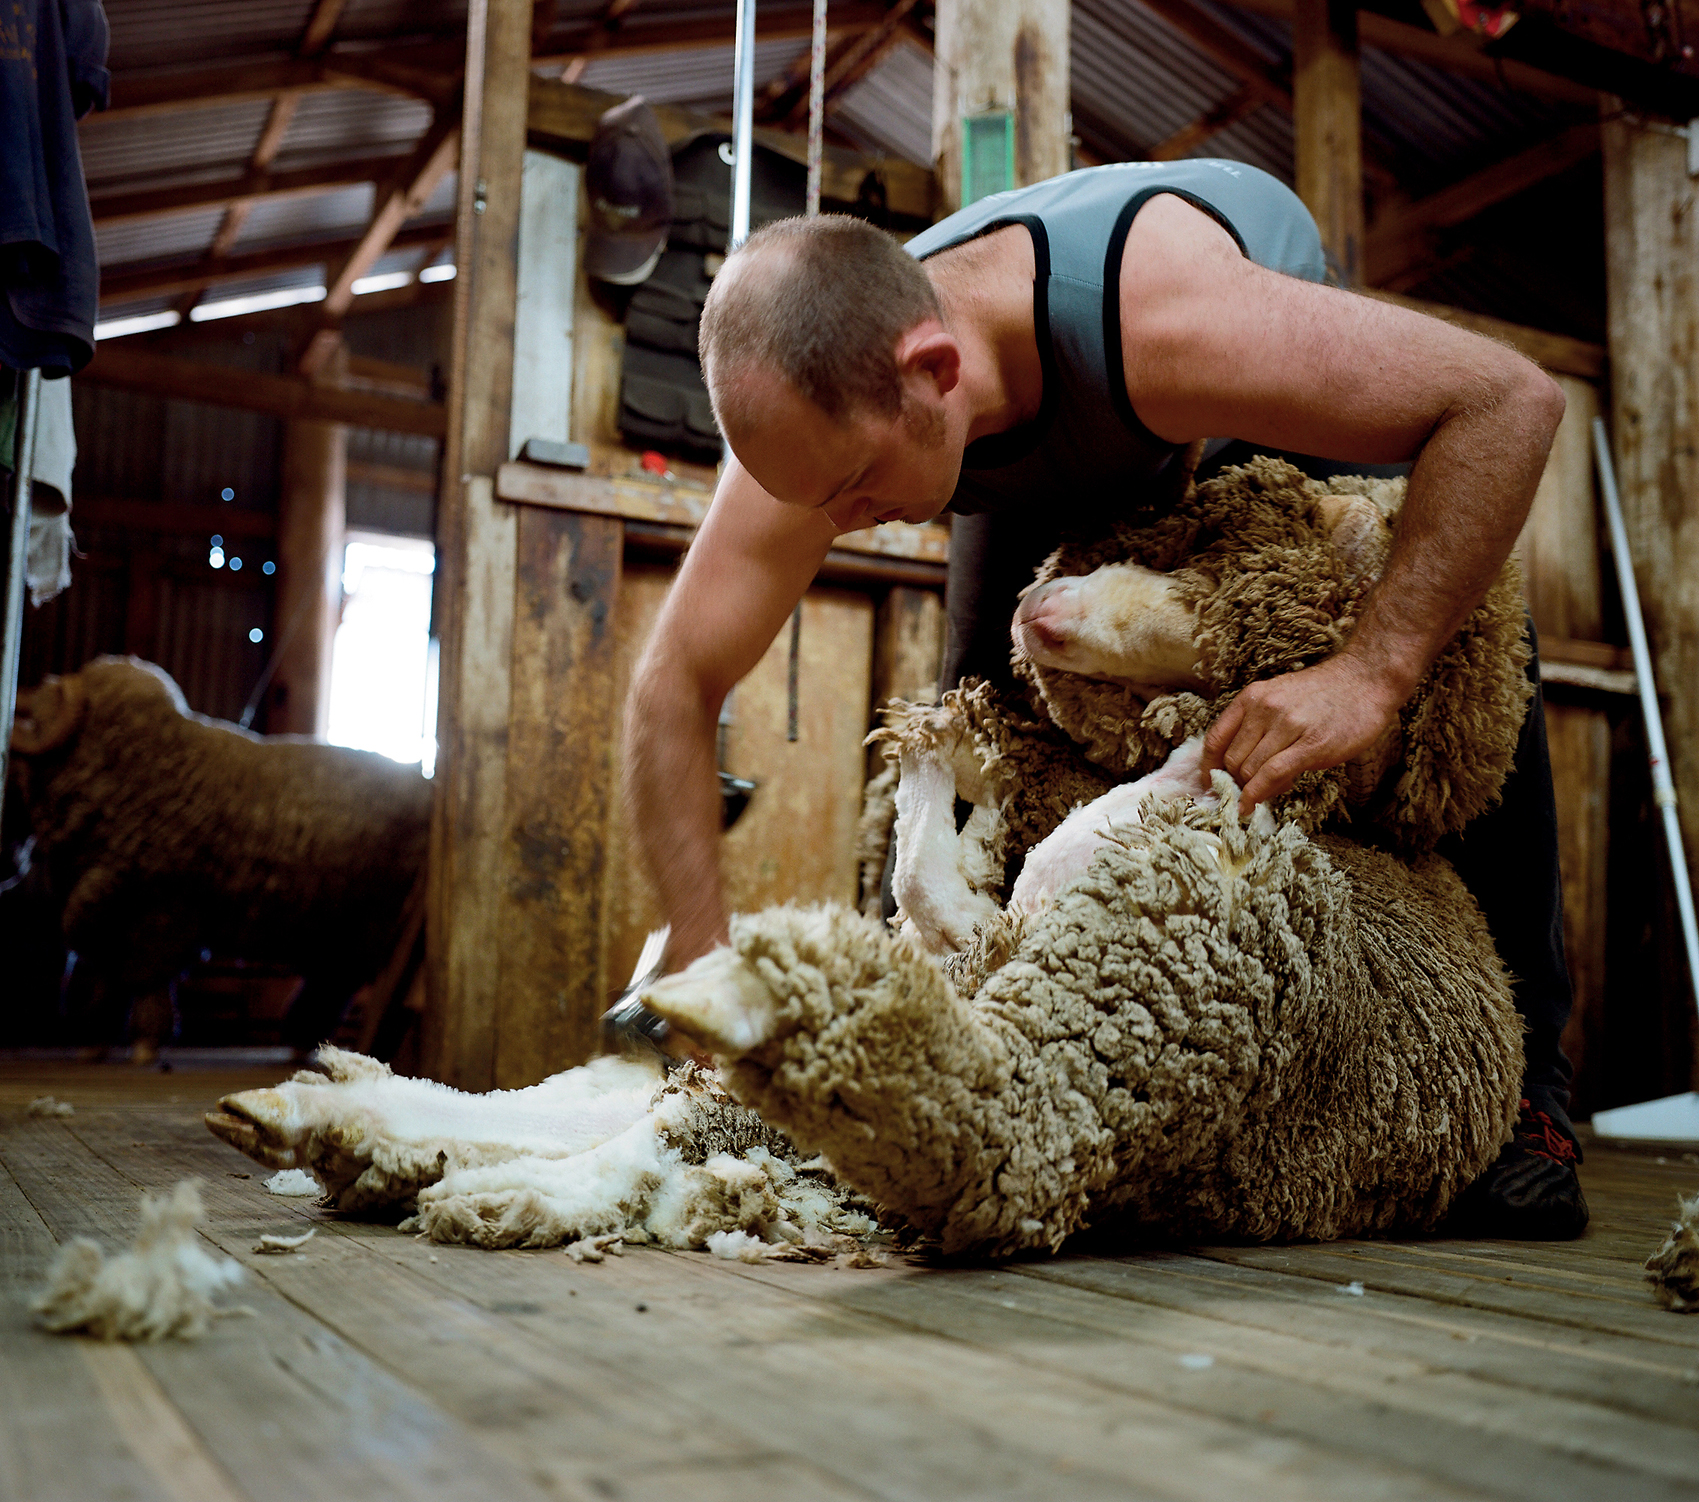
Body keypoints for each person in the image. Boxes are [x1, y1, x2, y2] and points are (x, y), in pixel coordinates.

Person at [621, 160, 1586, 1238]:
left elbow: (1507, 402)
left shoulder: (1167, 323)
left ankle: (1531, 1095)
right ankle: (969, 1073)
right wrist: (698, 943)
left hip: (1195, 371)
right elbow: (673, 681)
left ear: (932, 368)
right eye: (816, 500)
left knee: (1468, 629)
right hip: (1028, 428)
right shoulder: (822, 405)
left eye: (853, 489)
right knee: (980, 738)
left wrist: (1371, 670)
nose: (847, 524)